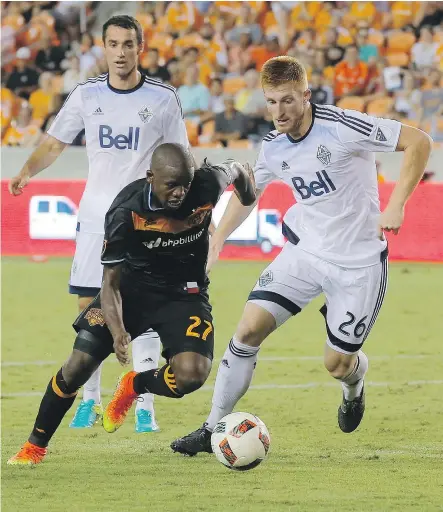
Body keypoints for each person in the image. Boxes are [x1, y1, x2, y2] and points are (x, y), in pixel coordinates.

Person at [170, 55, 433, 456]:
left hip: (358, 265)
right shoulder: (273, 147)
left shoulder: (343, 127)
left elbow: (419, 141)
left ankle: (354, 386)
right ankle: (210, 429)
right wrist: (219, 236)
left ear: (306, 96)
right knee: (247, 330)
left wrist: (396, 204)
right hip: (305, 253)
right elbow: (248, 195)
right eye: (271, 102)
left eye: (288, 101)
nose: (279, 111)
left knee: (337, 364)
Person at [7, 143, 256, 465]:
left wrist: (248, 193)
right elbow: (109, 282)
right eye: (171, 185)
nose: (180, 192)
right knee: (78, 366)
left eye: (185, 183)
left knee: (192, 375)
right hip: (130, 291)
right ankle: (34, 446)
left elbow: (236, 169)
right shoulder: (127, 210)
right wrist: (118, 330)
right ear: (151, 177)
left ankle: (135, 384)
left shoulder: (207, 183)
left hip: (185, 293)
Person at [8, 15, 189, 434]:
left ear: (140, 48)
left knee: (141, 311)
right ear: (102, 47)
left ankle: (143, 403)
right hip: (95, 219)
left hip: (145, 219)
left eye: (128, 44)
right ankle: (88, 399)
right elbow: (55, 142)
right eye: (113, 44)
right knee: (89, 307)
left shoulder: (163, 99)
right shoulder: (87, 95)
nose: (121, 52)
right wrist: (27, 171)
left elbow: (182, 157)